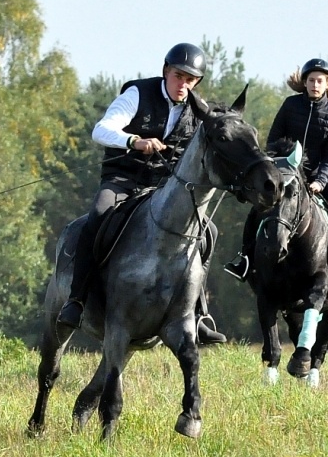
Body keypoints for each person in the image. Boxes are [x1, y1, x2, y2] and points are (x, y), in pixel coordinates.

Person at [57, 42, 226, 344]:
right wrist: (135, 140)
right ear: (166, 71)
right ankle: (77, 300)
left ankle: (199, 313)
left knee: (208, 230)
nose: (183, 85)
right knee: (97, 215)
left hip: (162, 190)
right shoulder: (137, 94)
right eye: (178, 76)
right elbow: (101, 129)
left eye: (190, 80)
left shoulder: (197, 110)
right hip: (123, 181)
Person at [224, 58, 328, 285]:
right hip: (285, 172)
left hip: (317, 175)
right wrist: (277, 166)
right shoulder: (290, 105)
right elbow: (273, 139)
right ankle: (244, 260)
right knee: (257, 211)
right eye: (311, 80)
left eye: (319, 81)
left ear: (327, 83)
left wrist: (320, 180)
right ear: (305, 82)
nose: (315, 85)